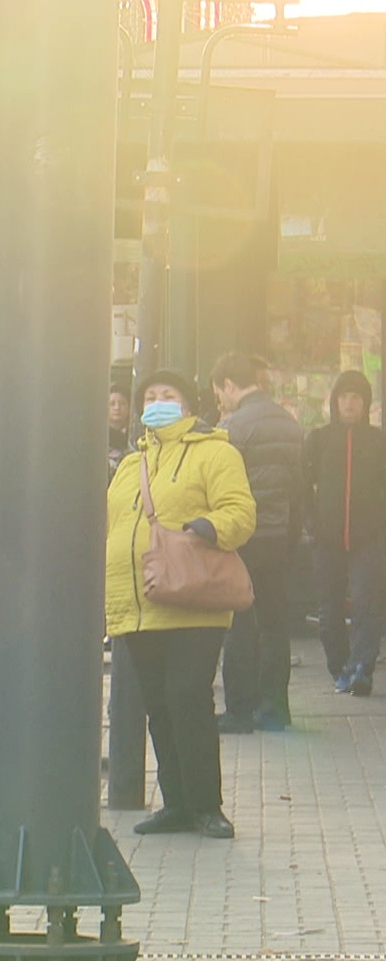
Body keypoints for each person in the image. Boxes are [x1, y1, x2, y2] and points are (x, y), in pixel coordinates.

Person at [105, 369, 256, 840]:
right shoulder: (134, 463)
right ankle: (177, 804)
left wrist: (204, 529)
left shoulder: (216, 451)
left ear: (189, 405)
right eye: (150, 396)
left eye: (168, 395)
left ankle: (207, 806)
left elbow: (240, 511)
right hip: (138, 603)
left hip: (192, 599)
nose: (157, 402)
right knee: (159, 705)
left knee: (188, 696)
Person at [210, 352, 304, 733]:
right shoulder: (289, 422)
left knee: (239, 625)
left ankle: (239, 711)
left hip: (244, 538)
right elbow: (298, 486)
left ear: (231, 385)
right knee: (275, 625)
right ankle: (275, 709)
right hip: (279, 537)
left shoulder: (233, 426)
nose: (220, 402)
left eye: (220, 394)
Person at [302, 370, 386, 697]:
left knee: (367, 604)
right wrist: (312, 523)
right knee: (329, 610)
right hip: (327, 539)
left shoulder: (378, 441)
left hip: (369, 538)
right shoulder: (319, 439)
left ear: (365, 403)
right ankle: (340, 667)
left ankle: (363, 667)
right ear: (335, 402)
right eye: (344, 397)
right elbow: (302, 486)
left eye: (356, 397)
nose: (349, 404)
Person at [108, 382, 132, 482]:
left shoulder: (135, 436)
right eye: (112, 404)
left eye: (122, 403)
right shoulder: (98, 436)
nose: (117, 408)